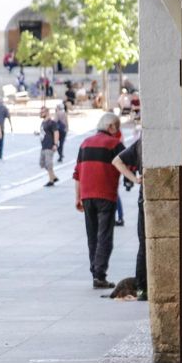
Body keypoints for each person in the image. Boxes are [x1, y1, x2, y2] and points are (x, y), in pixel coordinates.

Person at [73, 113, 125, 289]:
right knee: (104, 236)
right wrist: (133, 178)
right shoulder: (114, 144)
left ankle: (95, 271)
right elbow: (127, 164)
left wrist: (77, 197)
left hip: (87, 196)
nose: (118, 132)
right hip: (106, 195)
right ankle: (99, 274)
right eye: (117, 127)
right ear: (111, 127)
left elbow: (77, 173)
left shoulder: (85, 143)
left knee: (92, 235)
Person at [113, 136, 145, 299]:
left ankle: (142, 288)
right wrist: (135, 179)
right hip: (145, 196)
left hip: (143, 196)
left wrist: (136, 179)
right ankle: (142, 288)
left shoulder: (141, 141)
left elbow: (117, 161)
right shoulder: (144, 141)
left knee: (143, 243)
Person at [36, 106, 60, 186]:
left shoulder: (51, 123)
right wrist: (38, 133)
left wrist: (55, 144)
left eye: (42, 112)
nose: (40, 113)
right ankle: (53, 176)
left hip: (49, 146)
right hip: (43, 146)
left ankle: (51, 180)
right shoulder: (43, 122)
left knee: (48, 164)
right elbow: (44, 133)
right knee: (42, 164)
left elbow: (56, 133)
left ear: (47, 112)